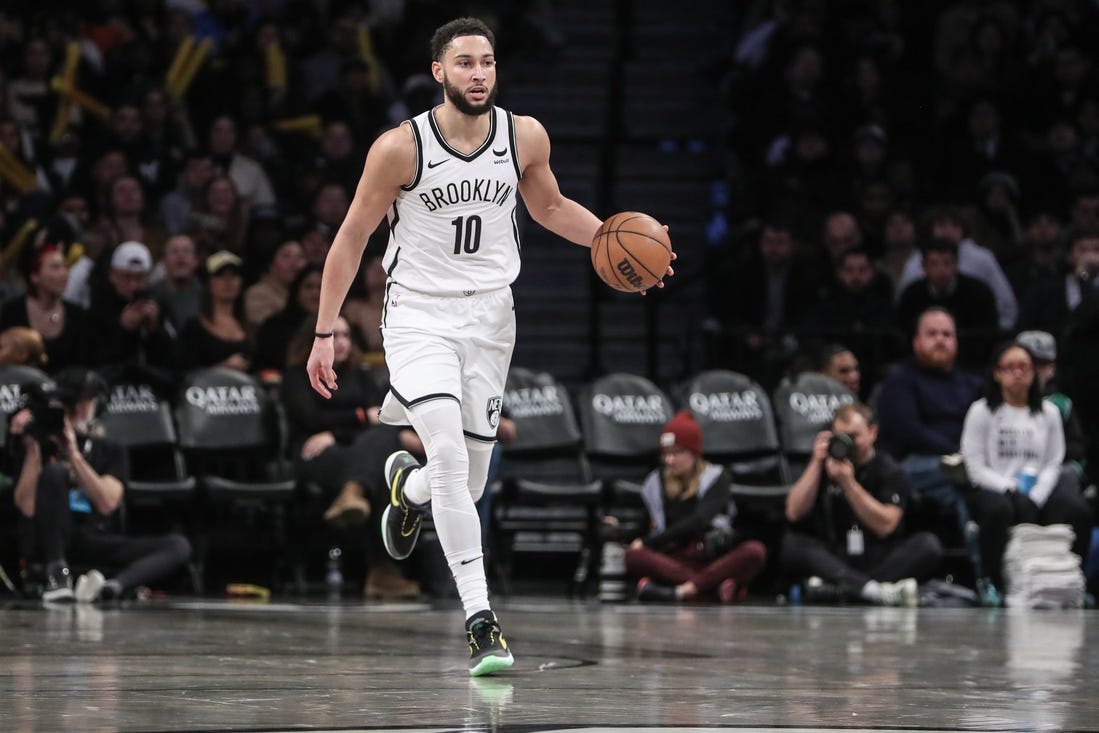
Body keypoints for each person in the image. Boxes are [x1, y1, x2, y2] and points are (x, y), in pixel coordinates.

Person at [306, 17, 671, 676]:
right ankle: (481, 621)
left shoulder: (523, 134)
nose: (477, 73)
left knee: (465, 478)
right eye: (464, 63)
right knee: (448, 449)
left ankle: (408, 490)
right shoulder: (399, 147)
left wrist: (616, 248)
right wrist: (325, 328)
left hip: (489, 321)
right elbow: (352, 235)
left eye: (486, 62)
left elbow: (552, 207)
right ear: (439, 72)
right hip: (418, 316)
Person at [9, 367, 192, 602]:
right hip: (51, 539)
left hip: (94, 537)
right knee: (54, 472)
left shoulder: (110, 449)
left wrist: (73, 455)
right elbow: (26, 506)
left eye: (84, 403)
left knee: (178, 545)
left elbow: (107, 503)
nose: (76, 411)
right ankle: (59, 573)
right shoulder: (37, 446)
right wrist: (33, 448)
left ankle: (111, 587)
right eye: (69, 404)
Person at [282, 317, 424, 600]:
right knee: (382, 458)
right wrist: (355, 421)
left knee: (385, 442)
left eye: (347, 335)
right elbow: (310, 419)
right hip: (314, 454)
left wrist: (334, 433)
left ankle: (354, 491)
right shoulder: (298, 375)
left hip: (353, 450)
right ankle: (383, 571)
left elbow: (382, 418)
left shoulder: (361, 375)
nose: (343, 342)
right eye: (334, 335)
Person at [960, 342, 1093, 592]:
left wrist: (1035, 496)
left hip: (1039, 490)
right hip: (995, 487)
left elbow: (1054, 462)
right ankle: (992, 583)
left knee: (1078, 511)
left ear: (1034, 373)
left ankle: (1075, 583)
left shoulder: (1050, 413)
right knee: (997, 510)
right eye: (1009, 367)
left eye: (1024, 367)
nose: (1018, 373)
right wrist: (1012, 490)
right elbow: (975, 468)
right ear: (997, 373)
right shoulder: (981, 411)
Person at [782, 402, 943, 606]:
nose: (847, 443)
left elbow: (886, 525)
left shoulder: (891, 470)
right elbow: (793, 512)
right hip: (835, 554)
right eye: (841, 436)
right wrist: (816, 462)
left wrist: (848, 484)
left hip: (876, 554)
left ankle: (841, 589)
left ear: (872, 433)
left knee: (928, 545)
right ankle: (872, 591)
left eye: (854, 436)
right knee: (793, 543)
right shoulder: (824, 464)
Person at [626, 411, 767, 603]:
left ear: (693, 452)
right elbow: (643, 527)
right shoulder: (655, 482)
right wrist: (618, 530)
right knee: (634, 556)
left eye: (677, 453)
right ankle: (710, 589)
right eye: (666, 454)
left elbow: (700, 520)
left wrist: (650, 542)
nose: (670, 460)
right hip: (674, 559)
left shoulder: (717, 478)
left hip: (711, 556)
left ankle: (680, 592)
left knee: (755, 551)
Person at [0, 243, 88, 373]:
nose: (64, 273)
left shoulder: (78, 315)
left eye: (65, 267)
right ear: (34, 276)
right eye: (55, 267)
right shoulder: (10, 312)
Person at [178, 251, 251, 372]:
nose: (228, 280)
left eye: (234, 275)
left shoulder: (249, 326)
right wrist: (223, 368)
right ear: (209, 282)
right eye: (220, 275)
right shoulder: (194, 327)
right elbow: (183, 372)